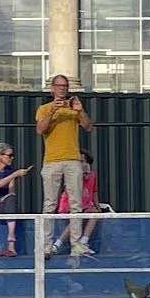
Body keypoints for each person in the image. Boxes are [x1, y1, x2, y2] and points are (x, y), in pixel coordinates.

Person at [36, 74, 94, 257]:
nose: (62, 89)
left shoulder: (73, 108)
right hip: (52, 160)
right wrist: (52, 111)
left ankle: (76, 244)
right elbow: (40, 130)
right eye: (59, 86)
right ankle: (46, 246)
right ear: (52, 88)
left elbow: (88, 127)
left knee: (76, 204)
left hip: (73, 159)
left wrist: (80, 110)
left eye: (65, 86)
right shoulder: (44, 108)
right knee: (49, 204)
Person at [0, 142, 29, 256]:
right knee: (9, 203)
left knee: (11, 200)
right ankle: (11, 242)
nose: (11, 158)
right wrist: (14, 175)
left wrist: (12, 175)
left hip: (3, 204)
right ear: (0, 156)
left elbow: (11, 194)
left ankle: (11, 240)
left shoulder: (10, 171)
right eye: (9, 155)